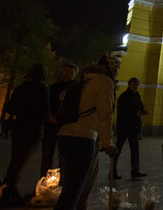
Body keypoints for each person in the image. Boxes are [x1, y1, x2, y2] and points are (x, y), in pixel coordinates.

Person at [54, 53, 120, 210]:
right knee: (74, 191)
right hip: (83, 138)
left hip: (64, 136)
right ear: (110, 67)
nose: (118, 71)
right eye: (117, 67)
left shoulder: (83, 80)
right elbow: (105, 114)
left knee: (69, 187)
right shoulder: (105, 82)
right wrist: (108, 143)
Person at [0, 64, 50, 208]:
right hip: (33, 129)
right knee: (21, 162)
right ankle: (7, 195)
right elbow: (45, 110)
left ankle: (10, 192)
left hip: (18, 127)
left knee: (15, 161)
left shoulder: (21, 88)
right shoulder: (42, 88)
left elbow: (10, 108)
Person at [41, 63, 78, 177]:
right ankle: (44, 180)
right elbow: (46, 104)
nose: (67, 74)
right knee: (47, 155)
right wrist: (50, 116)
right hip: (52, 125)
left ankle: (62, 183)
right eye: (66, 71)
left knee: (64, 157)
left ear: (75, 75)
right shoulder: (54, 87)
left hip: (66, 126)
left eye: (71, 72)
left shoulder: (76, 90)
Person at [114, 77, 148, 179]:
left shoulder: (136, 95)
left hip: (133, 127)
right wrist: (136, 113)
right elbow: (122, 111)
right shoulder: (124, 96)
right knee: (117, 150)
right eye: (134, 84)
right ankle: (113, 172)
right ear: (129, 85)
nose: (136, 86)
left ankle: (135, 170)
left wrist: (143, 111)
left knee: (135, 150)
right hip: (124, 127)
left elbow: (140, 107)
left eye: (137, 84)